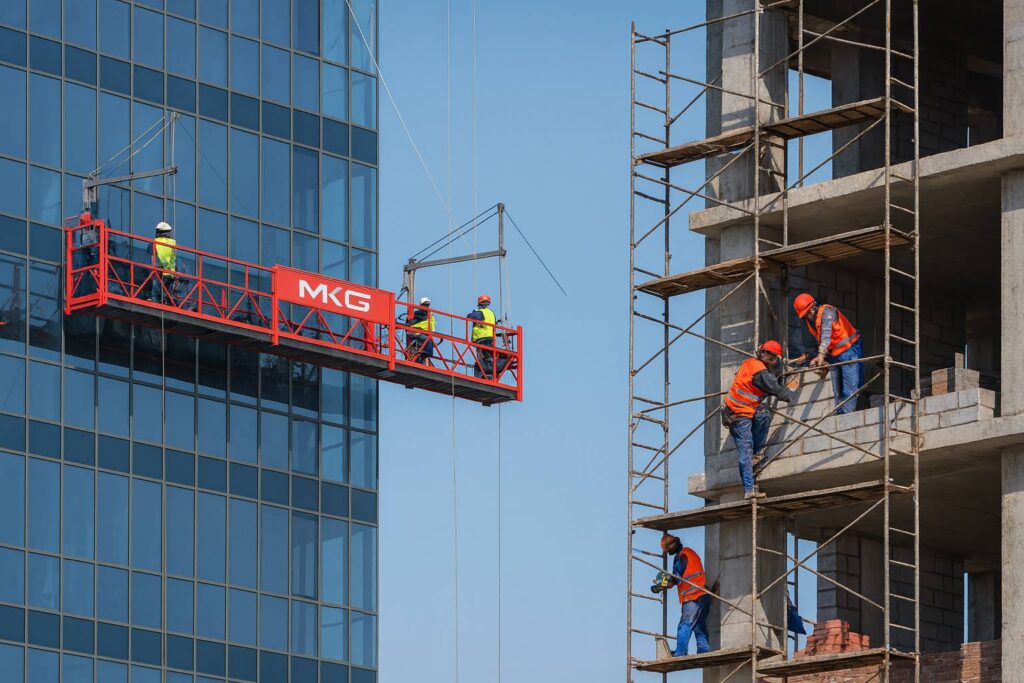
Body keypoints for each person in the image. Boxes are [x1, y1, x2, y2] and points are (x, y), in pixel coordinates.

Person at [723, 340, 797, 499]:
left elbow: (774, 373)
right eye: (765, 353)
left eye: (768, 354)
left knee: (763, 415)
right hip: (737, 415)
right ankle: (749, 490)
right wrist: (791, 396)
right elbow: (774, 387)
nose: (765, 356)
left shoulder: (758, 365)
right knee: (745, 450)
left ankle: (756, 454)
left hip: (749, 409)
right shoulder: (758, 370)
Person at [793, 293, 863, 415]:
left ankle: (846, 415)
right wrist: (815, 357)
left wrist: (820, 356)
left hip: (849, 349)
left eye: (807, 313)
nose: (807, 317)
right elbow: (821, 341)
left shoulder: (827, 312)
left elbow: (826, 337)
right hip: (833, 354)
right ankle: (836, 412)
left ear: (813, 307)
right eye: (804, 315)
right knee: (834, 388)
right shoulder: (810, 322)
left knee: (851, 384)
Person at [652, 533, 711, 657]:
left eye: (668, 550)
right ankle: (704, 650)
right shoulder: (689, 553)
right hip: (703, 595)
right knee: (699, 625)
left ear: (673, 545)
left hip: (692, 597)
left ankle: (680, 652)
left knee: (685, 625)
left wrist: (660, 586)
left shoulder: (682, 556)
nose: (669, 552)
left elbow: (675, 578)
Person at [468, 294, 500, 379]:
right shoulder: (491, 313)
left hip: (481, 337)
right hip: (490, 337)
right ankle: (490, 372)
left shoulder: (480, 311)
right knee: (488, 354)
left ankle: (483, 372)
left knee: (481, 355)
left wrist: (470, 314)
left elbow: (472, 317)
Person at [152, 221, 177, 303]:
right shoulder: (173, 242)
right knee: (166, 291)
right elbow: (173, 257)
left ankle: (156, 301)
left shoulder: (157, 241)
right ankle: (165, 301)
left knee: (157, 290)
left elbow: (159, 256)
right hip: (170, 272)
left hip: (161, 270)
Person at [407, 296, 436, 364]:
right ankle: (425, 356)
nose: (427, 307)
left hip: (424, 333)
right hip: (416, 332)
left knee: (429, 340)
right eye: (425, 305)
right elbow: (411, 323)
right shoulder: (419, 313)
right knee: (427, 340)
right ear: (421, 305)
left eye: (427, 305)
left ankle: (424, 357)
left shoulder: (430, 314)